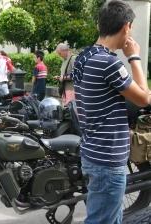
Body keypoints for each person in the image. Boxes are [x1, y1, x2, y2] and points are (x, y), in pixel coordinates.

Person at [70, 1, 149, 223]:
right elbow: (143, 98)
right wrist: (134, 57)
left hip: (93, 150)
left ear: (99, 26)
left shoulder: (83, 58)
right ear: (126, 27)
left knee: (109, 218)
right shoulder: (108, 63)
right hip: (108, 158)